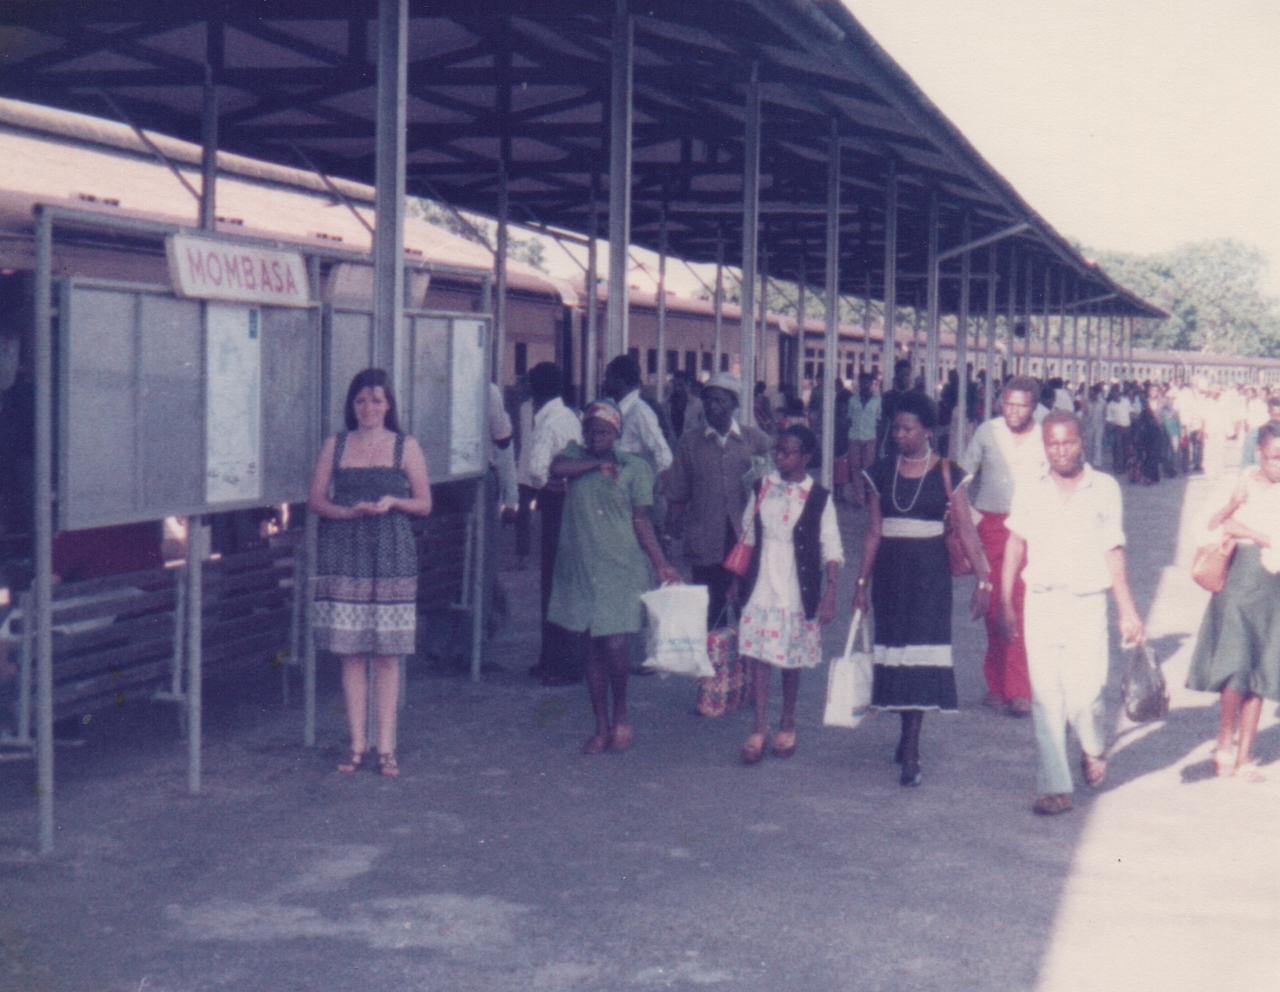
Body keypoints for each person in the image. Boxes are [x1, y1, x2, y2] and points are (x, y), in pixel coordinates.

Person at [1000, 411, 1144, 816]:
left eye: (1069, 442)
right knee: (1046, 699)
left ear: (1083, 441)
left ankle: (1093, 746)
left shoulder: (1105, 488)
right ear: (1044, 446)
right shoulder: (1030, 487)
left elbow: (1113, 549)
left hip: (1086, 603)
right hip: (1042, 601)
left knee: (1087, 695)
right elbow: (1015, 543)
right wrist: (1006, 601)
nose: (1061, 451)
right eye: (1053, 444)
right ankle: (1054, 786)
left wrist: (1127, 610)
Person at [852, 393, 990, 787]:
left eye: (908, 428)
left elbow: (966, 528)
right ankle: (904, 733)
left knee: (921, 655)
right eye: (895, 428)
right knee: (895, 655)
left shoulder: (948, 471)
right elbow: (874, 531)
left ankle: (912, 747)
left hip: (930, 577)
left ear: (928, 431)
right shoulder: (880, 472)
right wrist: (860, 584)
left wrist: (984, 578)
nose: (900, 435)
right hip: (890, 576)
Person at [308, 368, 432, 778]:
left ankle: (387, 747)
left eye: (377, 400)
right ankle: (357, 744)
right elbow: (316, 500)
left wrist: (393, 502)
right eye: (361, 400)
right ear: (352, 405)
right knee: (352, 652)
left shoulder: (404, 446)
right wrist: (346, 512)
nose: (369, 408)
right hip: (345, 551)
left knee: (387, 654)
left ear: (389, 405)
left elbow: (424, 502)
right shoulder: (336, 445)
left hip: (391, 551)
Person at [546, 400, 681, 754]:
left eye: (604, 432)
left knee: (616, 647)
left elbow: (642, 520)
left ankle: (621, 712)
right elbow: (556, 467)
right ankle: (600, 724)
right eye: (591, 431)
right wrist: (595, 463)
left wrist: (661, 562)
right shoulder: (574, 459)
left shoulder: (635, 467)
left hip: (621, 566)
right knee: (591, 647)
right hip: (583, 567)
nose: (596, 437)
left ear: (617, 433)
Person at [732, 425, 842, 764]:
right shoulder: (762, 487)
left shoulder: (820, 497)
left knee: (790, 658)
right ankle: (759, 726)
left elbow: (831, 548)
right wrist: (736, 581)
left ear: (806, 457)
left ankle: (787, 722)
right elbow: (748, 537)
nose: (779, 457)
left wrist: (830, 593)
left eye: (788, 452)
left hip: (797, 585)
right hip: (762, 581)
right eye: (777, 451)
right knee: (760, 656)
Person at [1185, 421, 1280, 781]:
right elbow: (1209, 526)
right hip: (1240, 583)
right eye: (1273, 458)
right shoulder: (1237, 483)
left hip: (1274, 588)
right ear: (1259, 454)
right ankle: (1224, 741)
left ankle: (1244, 757)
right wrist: (1236, 511)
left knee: (1263, 669)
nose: (1279, 466)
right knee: (1236, 667)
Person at [958, 376, 1044, 718]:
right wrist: (967, 518)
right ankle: (995, 684)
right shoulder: (986, 432)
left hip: (1032, 529)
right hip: (991, 527)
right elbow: (963, 475)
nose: (1014, 411)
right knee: (993, 605)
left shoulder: (1045, 434)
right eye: (1008, 404)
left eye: (1022, 405)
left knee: (1019, 607)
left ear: (1034, 407)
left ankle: (1019, 689)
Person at [665, 372, 771, 625]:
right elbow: (678, 493)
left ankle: (745, 665)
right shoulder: (689, 442)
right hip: (705, 540)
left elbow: (773, 485)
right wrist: (669, 534)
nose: (712, 406)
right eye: (708, 399)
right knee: (712, 612)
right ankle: (716, 663)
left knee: (748, 608)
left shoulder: (755, 440)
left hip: (746, 539)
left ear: (734, 404)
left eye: (720, 400)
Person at [521, 362, 584, 686]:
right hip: (575, 504)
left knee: (552, 583)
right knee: (567, 583)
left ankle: (556, 662)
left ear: (535, 390)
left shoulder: (546, 424)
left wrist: (547, 482)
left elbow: (536, 469)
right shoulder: (570, 417)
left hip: (556, 503)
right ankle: (561, 658)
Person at [846, 371, 881, 508]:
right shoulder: (852, 400)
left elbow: (879, 420)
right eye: (863, 382)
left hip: (870, 438)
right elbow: (849, 418)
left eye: (868, 382)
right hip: (854, 437)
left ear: (872, 383)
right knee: (855, 469)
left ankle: (868, 496)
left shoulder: (877, 400)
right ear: (859, 383)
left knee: (867, 469)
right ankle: (859, 499)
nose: (865, 384)